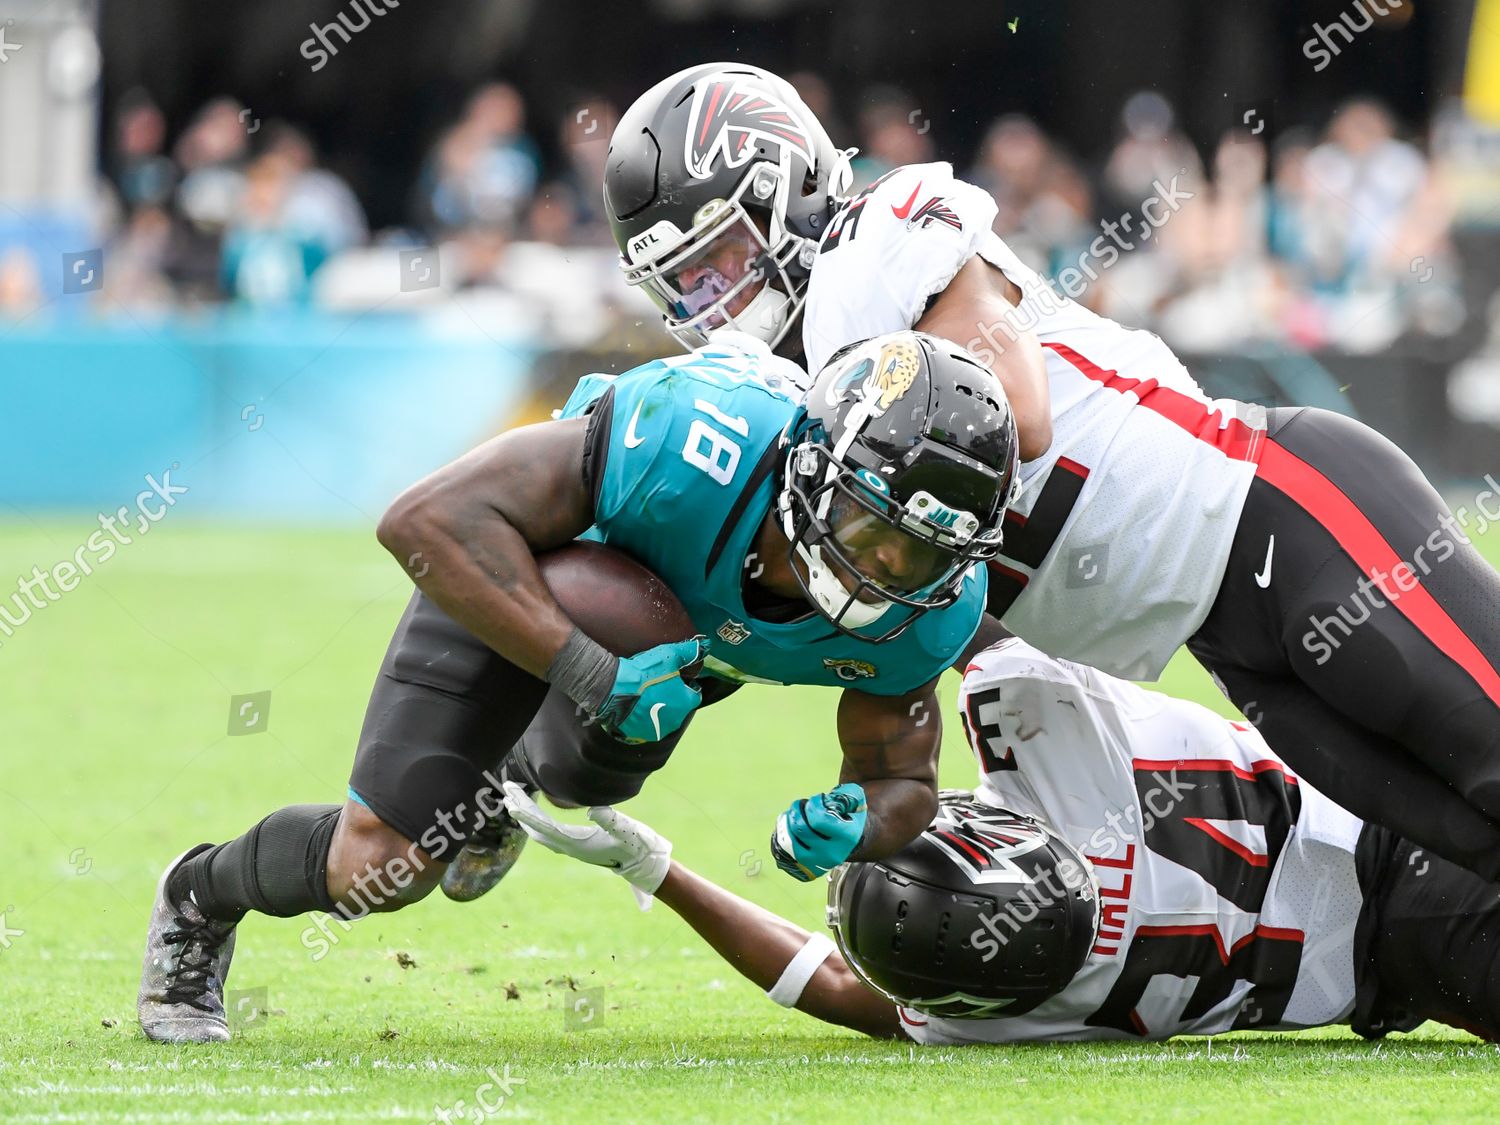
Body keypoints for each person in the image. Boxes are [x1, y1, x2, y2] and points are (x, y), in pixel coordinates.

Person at [567, 61, 1500, 894]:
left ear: (792, 190)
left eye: (721, 258)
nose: (711, 302)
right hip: (1223, 636)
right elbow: (868, 615)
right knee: (1468, 838)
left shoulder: (874, 242)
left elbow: (1012, 414)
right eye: (681, 285)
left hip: (1285, 517)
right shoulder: (779, 391)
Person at [135, 328, 1019, 1042]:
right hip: (522, 579)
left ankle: (505, 784)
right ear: (815, 467)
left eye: (929, 552)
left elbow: (902, 779)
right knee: (387, 865)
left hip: (663, 652)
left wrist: (858, 820)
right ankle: (198, 894)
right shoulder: (693, 441)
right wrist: (592, 670)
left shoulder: (930, 611)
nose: (892, 571)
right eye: (875, 528)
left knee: (593, 765)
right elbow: (425, 520)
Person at [507, 637, 1500, 1043]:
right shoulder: (1033, 732)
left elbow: (840, 991)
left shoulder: (990, 1008)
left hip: (1408, 968)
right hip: (1387, 797)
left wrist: (661, 870)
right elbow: (932, 601)